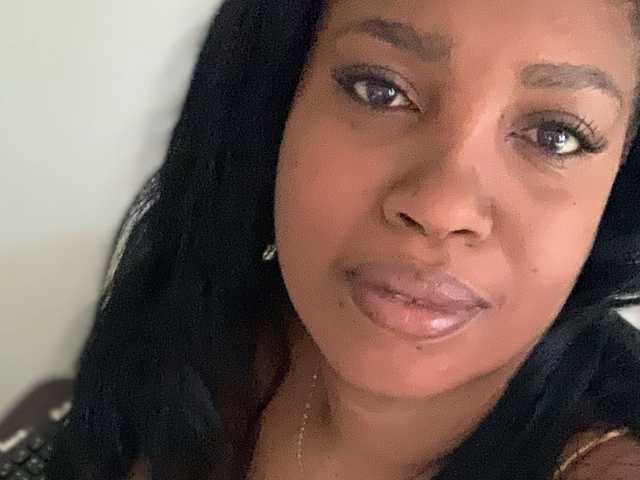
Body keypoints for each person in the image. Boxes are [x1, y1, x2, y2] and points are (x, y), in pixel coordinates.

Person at [44, 0, 640, 479]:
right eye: (379, 90)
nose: (440, 208)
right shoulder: (193, 332)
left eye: (556, 136)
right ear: (278, 98)